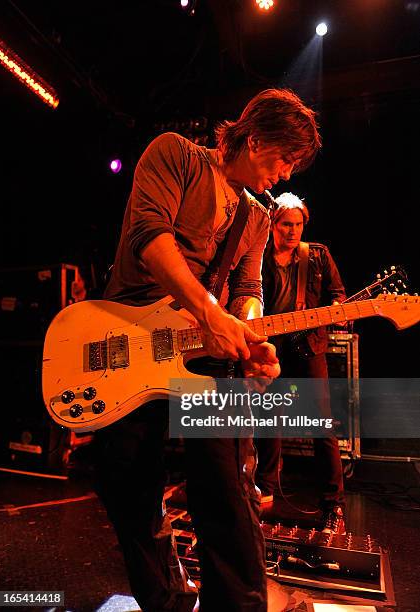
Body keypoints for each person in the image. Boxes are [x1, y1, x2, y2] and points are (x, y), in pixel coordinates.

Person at [96, 90, 321, 611]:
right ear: (257, 138)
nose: (286, 175)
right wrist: (208, 311)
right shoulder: (174, 153)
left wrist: (251, 339)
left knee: (226, 483)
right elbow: (150, 238)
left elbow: (248, 292)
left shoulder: (258, 218)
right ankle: (168, 602)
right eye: (285, 159)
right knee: (128, 485)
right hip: (124, 338)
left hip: (203, 351)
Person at [255, 192, 347, 535]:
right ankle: (266, 492)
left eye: (298, 225)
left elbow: (338, 293)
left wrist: (339, 310)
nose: (293, 231)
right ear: (273, 224)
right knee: (269, 423)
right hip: (270, 347)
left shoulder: (318, 256)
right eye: (286, 225)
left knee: (323, 427)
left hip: (308, 346)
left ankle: (333, 504)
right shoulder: (257, 257)